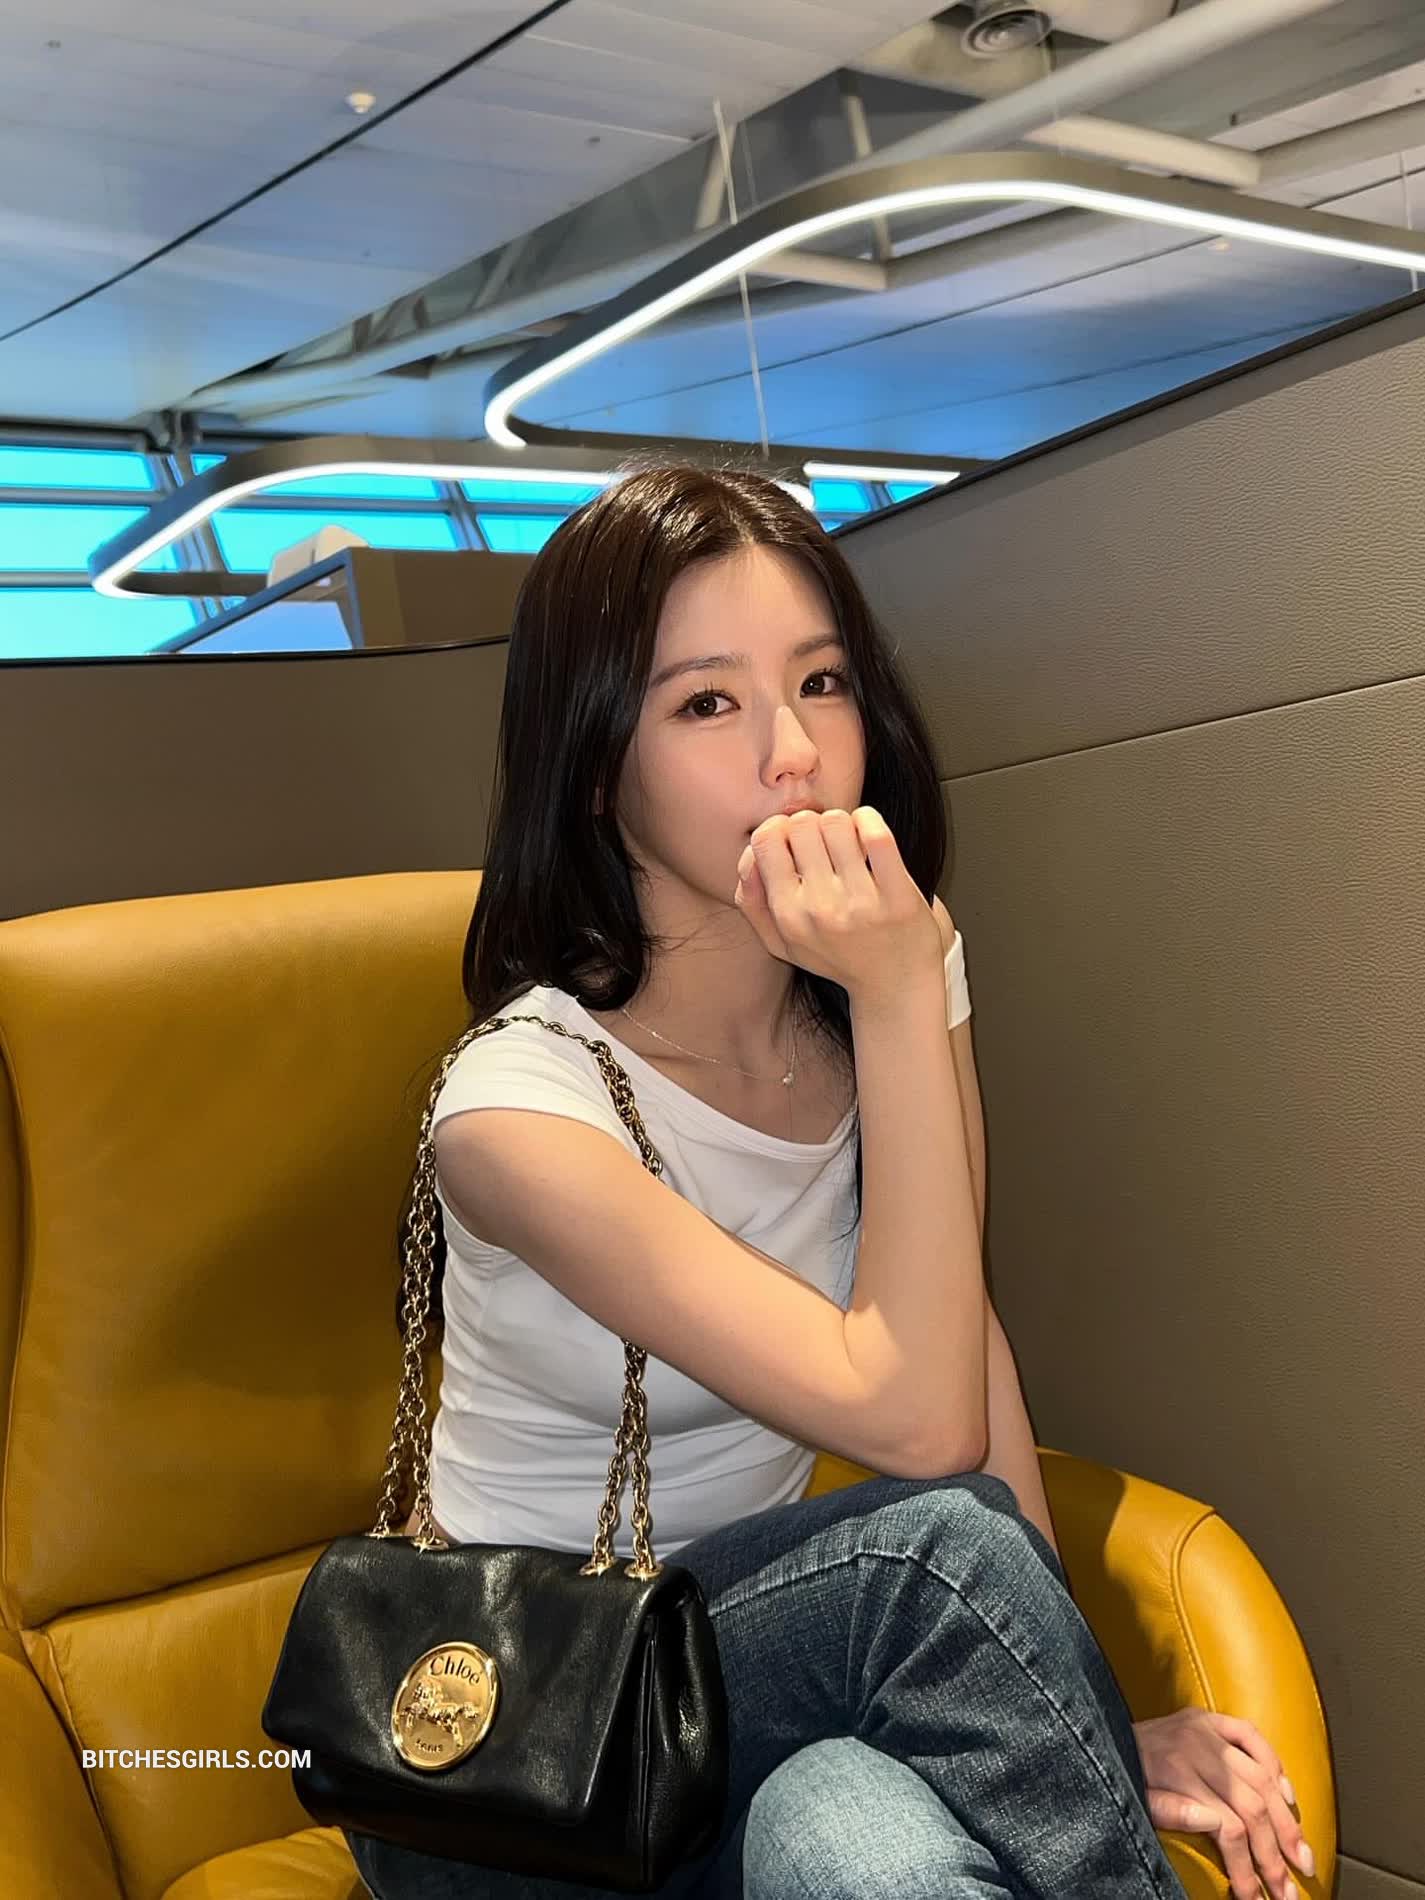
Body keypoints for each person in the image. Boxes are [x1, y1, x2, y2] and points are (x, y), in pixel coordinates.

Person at [348, 464, 1315, 1900]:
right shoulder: (515, 1110)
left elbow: (959, 1336)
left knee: (858, 1843)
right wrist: (897, 986)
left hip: (749, 1702)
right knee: (926, 1565)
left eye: (821, 682)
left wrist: (1070, 1707)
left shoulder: (892, 977)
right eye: (706, 703)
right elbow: (916, 1425)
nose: (793, 754)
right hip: (512, 1756)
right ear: (596, 762)